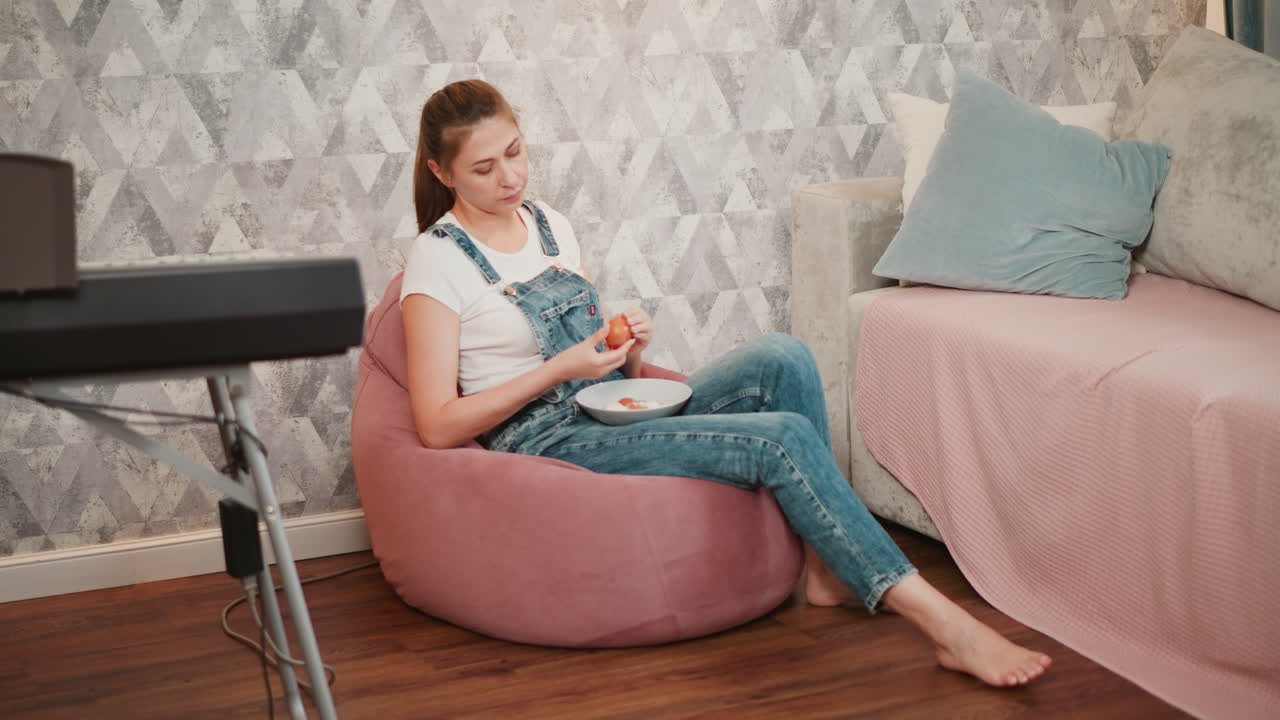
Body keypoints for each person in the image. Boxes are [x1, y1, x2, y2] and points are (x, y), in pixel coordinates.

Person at [400, 79, 1053, 688]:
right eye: (485, 169)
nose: (510, 177)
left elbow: (595, 363)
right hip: (539, 440)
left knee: (783, 354)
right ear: (441, 172)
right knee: (781, 438)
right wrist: (558, 371)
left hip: (598, 410)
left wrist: (625, 346)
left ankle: (824, 572)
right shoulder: (438, 259)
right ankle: (946, 626)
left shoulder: (548, 226)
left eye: (515, 153)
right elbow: (435, 424)